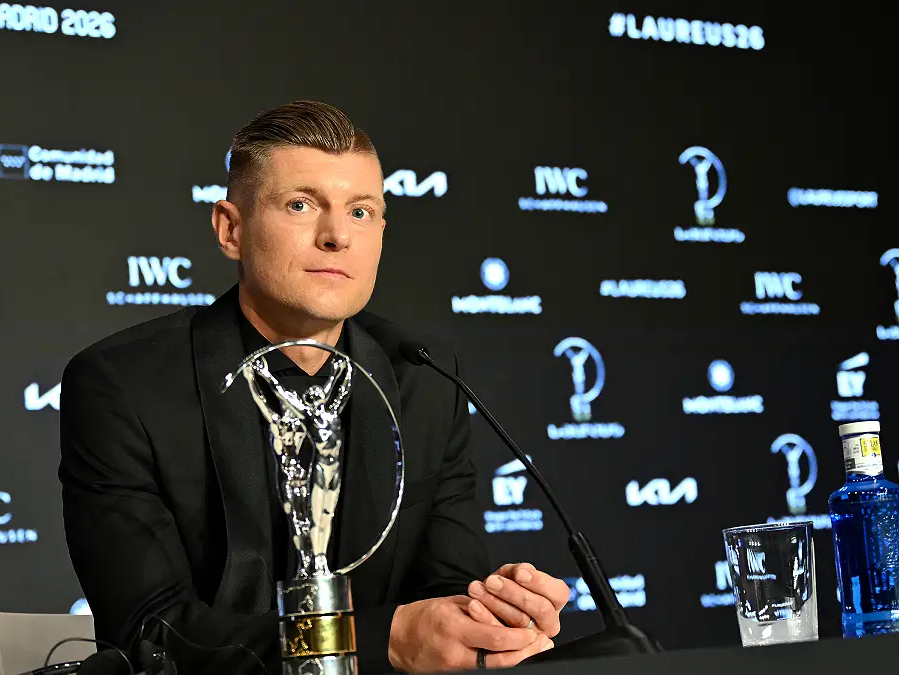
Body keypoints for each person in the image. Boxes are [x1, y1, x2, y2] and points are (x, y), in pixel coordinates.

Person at [59, 100, 570, 673]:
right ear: (230, 229)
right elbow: (149, 633)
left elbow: (443, 587)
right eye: (301, 205)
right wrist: (381, 640)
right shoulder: (124, 384)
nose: (336, 237)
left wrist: (486, 616)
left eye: (360, 211)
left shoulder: (424, 375)